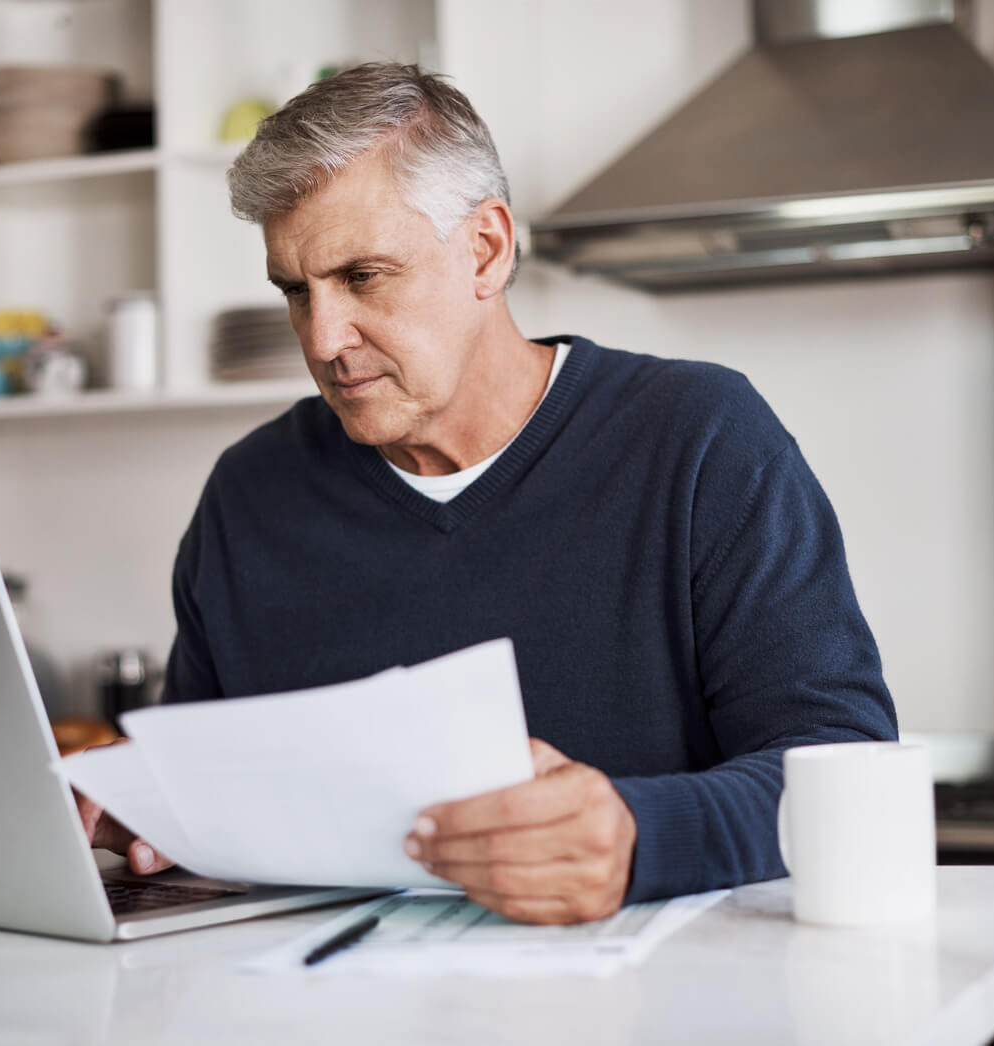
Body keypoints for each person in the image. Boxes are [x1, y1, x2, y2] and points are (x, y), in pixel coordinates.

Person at [78, 62, 897, 925]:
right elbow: (201, 779)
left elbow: (844, 765)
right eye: (294, 289)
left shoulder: (699, 439)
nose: (323, 338)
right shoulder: (250, 495)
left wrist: (639, 835)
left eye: (363, 277)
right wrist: (147, 812)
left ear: (487, 248)